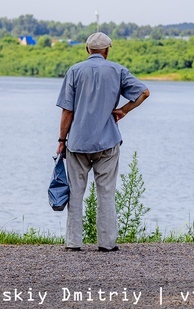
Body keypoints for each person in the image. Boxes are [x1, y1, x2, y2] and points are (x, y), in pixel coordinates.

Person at [55, 32, 150, 252]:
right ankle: (107, 244)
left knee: (75, 193)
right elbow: (144, 92)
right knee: (106, 193)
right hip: (107, 141)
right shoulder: (117, 71)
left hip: (77, 142)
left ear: (87, 49)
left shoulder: (75, 71)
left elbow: (67, 110)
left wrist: (62, 140)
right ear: (107, 50)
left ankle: (73, 243)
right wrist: (124, 110)